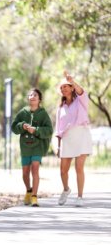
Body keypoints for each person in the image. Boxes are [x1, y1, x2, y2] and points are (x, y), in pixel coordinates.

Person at [56, 71, 92, 207]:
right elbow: (58, 129)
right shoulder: (60, 108)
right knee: (63, 171)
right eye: (62, 87)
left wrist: (72, 80)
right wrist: (58, 146)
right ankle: (66, 189)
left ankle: (80, 196)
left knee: (79, 168)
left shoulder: (81, 100)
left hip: (82, 135)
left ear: (71, 88)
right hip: (66, 139)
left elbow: (82, 91)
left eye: (66, 86)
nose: (64, 89)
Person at [11, 88, 53, 207]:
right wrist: (22, 126)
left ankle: (34, 196)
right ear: (28, 98)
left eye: (35, 95)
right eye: (30, 95)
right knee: (25, 172)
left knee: (35, 168)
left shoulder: (43, 113)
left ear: (39, 99)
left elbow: (49, 130)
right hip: (25, 146)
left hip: (38, 146)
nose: (32, 96)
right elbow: (14, 127)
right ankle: (28, 190)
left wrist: (37, 130)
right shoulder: (22, 112)